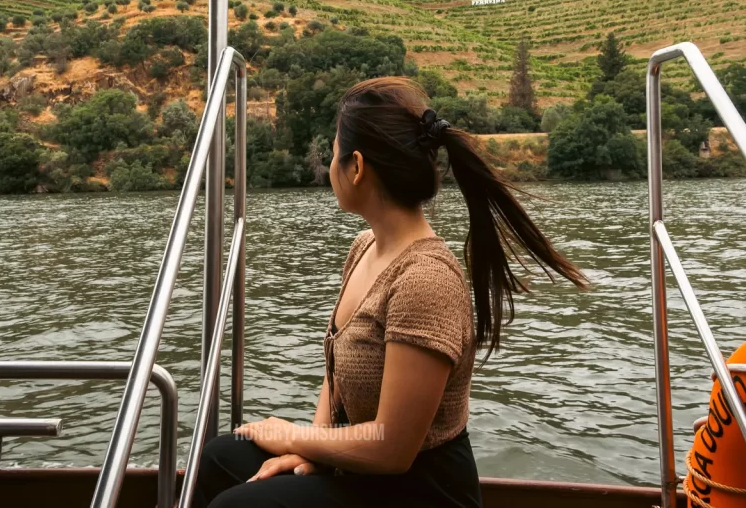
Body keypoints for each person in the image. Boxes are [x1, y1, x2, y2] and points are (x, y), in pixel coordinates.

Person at [192, 77, 587, 508]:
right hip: (360, 469)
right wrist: (312, 450)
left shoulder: (425, 280)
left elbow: (392, 448)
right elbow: (336, 373)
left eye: (335, 153)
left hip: (420, 488)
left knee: (237, 506)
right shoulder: (363, 248)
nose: (331, 167)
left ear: (357, 166)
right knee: (217, 458)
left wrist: (296, 437)